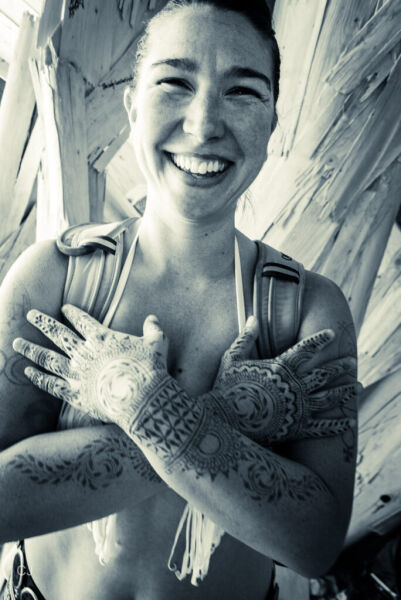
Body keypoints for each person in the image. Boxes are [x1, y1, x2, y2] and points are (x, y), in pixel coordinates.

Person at [0, 1, 358, 598]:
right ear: (131, 106)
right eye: (174, 83)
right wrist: (229, 416)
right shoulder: (58, 279)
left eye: (242, 92)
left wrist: (145, 404)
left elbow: (314, 543)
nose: (203, 124)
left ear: (272, 122)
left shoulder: (306, 313)